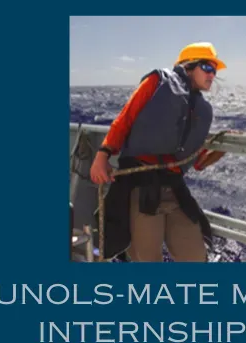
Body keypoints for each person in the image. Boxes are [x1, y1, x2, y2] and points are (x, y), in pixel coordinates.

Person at [90, 42, 228, 262]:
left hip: (174, 187)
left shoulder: (203, 110)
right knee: (147, 258)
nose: (213, 74)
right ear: (189, 66)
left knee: (194, 255)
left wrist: (221, 149)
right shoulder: (157, 82)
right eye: (208, 67)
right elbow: (124, 119)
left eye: (215, 70)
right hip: (141, 184)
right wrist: (102, 155)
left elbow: (197, 162)